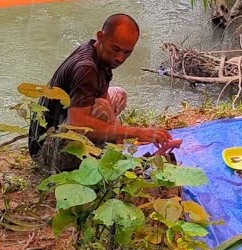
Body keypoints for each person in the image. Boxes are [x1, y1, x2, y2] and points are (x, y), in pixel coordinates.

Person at [28, 14, 179, 171]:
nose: (120, 58)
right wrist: (133, 132)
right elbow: (78, 123)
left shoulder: (98, 54)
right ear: (101, 36)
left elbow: (103, 99)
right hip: (46, 153)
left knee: (118, 95)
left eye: (127, 52)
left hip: (63, 127)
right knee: (102, 108)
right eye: (116, 49)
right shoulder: (86, 68)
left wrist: (124, 136)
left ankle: (106, 151)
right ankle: (90, 163)